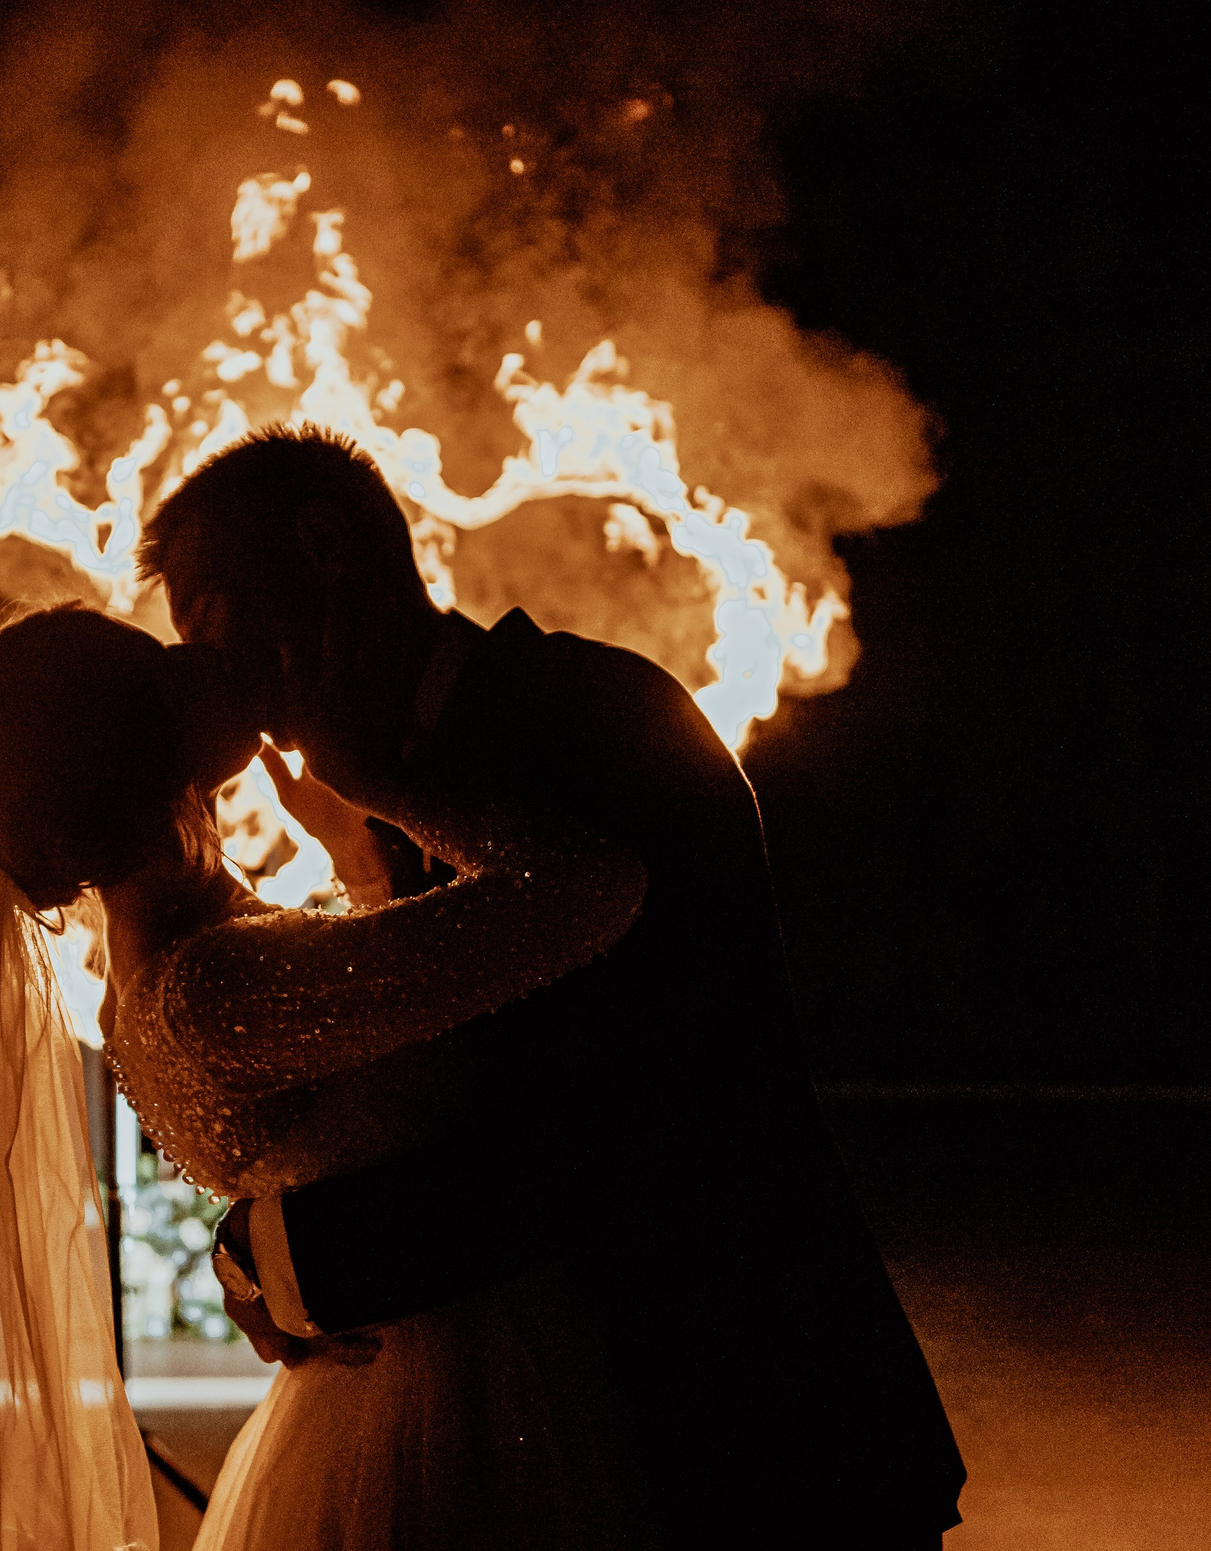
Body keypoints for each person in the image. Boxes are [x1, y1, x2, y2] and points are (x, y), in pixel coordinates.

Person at [137, 428, 968, 1548]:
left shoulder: (591, 724)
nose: (205, 666)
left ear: (322, 548)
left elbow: (612, 1135)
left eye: (208, 611)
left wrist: (283, 1256)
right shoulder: (401, 782)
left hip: (746, 1428)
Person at [0, 600, 653, 1549]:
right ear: (165, 779)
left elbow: (350, 1082)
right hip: (460, 1395)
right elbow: (590, 887)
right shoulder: (218, 986)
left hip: (381, 1391)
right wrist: (387, 786)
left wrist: (357, 860)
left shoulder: (164, 980)